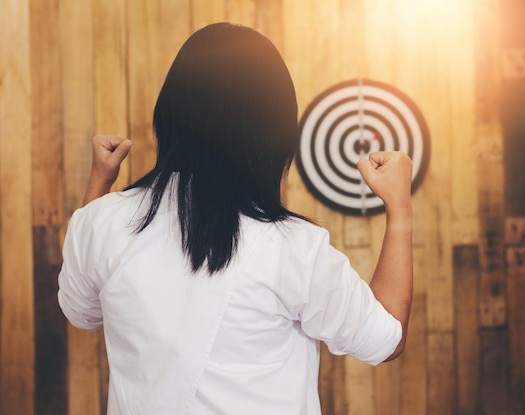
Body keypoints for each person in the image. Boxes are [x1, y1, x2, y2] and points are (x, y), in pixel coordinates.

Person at [58, 22, 413, 415]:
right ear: (274, 132)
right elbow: (386, 340)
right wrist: (398, 207)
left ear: (171, 114)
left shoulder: (100, 223)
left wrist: (99, 185)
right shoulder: (294, 248)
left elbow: (82, 311)